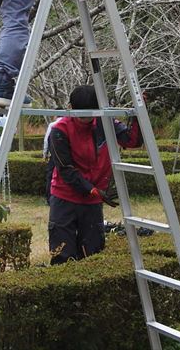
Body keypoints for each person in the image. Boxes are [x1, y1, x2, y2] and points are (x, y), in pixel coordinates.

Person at [48, 85, 143, 264]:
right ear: (71, 108)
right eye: (82, 116)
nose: (85, 120)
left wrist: (139, 112)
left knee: (92, 253)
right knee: (62, 253)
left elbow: (132, 140)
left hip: (92, 201)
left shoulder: (105, 124)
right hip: (65, 198)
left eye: (89, 115)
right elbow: (65, 169)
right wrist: (92, 190)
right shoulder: (60, 129)